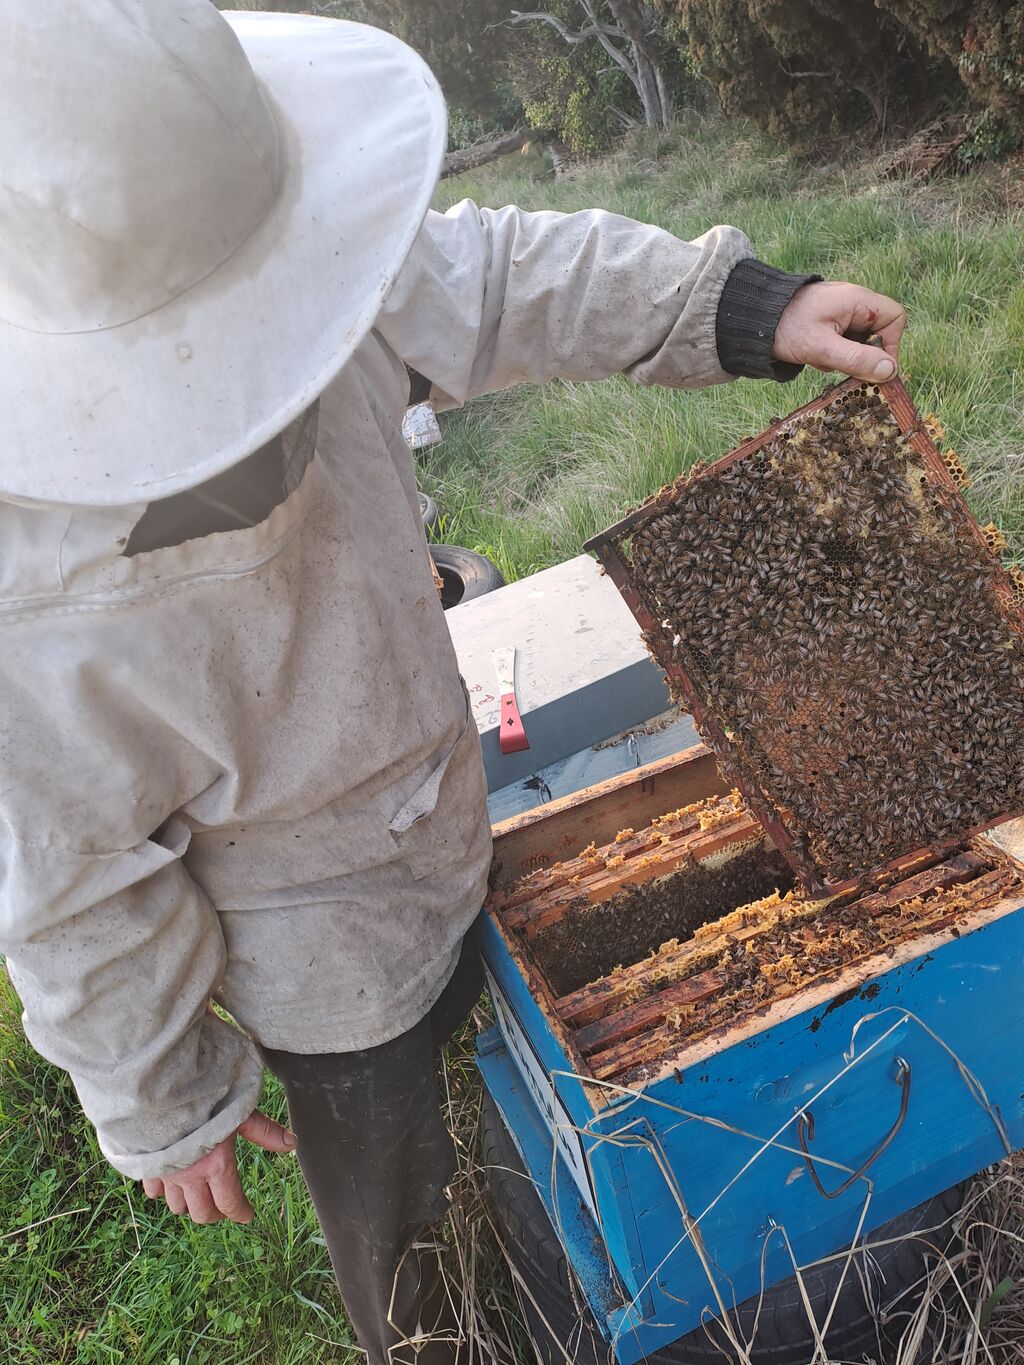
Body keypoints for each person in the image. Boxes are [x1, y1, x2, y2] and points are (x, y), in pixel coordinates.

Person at [0, 2, 906, 1362]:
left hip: (441, 809)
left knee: (530, 1124)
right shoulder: (31, 576)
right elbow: (65, 871)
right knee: (415, 1258)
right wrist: (158, 1095)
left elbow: (489, 279)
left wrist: (734, 307)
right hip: (315, 964)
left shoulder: (311, 252)